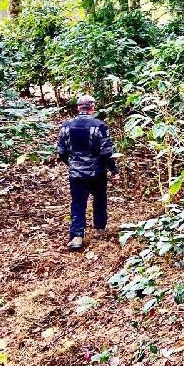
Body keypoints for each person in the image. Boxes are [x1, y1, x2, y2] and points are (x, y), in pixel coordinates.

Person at [57, 94, 119, 250]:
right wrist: (113, 169)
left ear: (78, 107)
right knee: (99, 199)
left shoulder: (66, 125)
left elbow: (61, 151)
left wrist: (72, 164)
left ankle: (77, 236)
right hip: (97, 172)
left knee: (78, 203)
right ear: (93, 108)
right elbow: (106, 152)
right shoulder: (99, 125)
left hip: (76, 174)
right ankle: (100, 229)